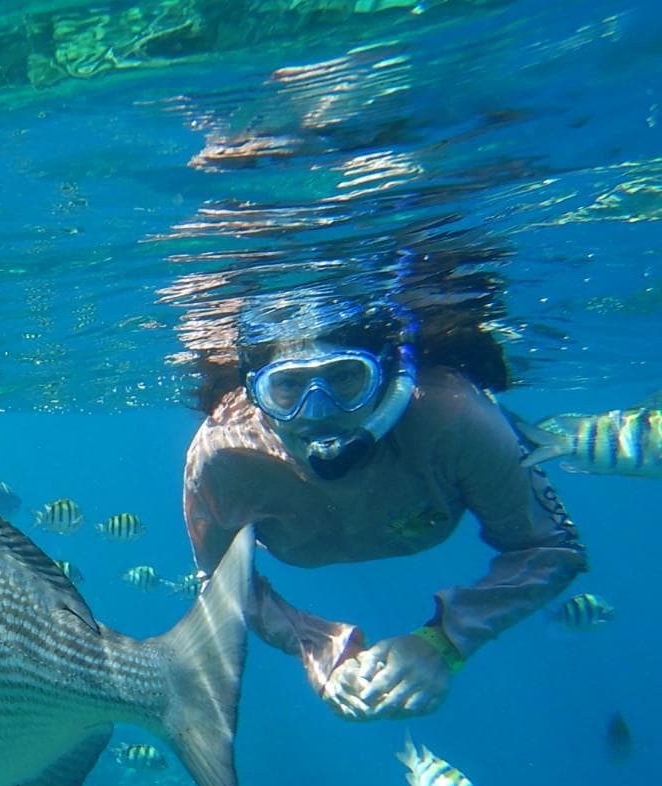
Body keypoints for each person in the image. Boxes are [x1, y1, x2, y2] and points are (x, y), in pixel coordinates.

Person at [182, 286, 587, 720]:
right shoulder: (223, 456)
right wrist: (316, 646)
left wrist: (444, 641)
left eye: (345, 379)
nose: (318, 412)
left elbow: (552, 548)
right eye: (287, 387)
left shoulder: (455, 420)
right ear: (255, 393)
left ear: (391, 378)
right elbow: (220, 580)